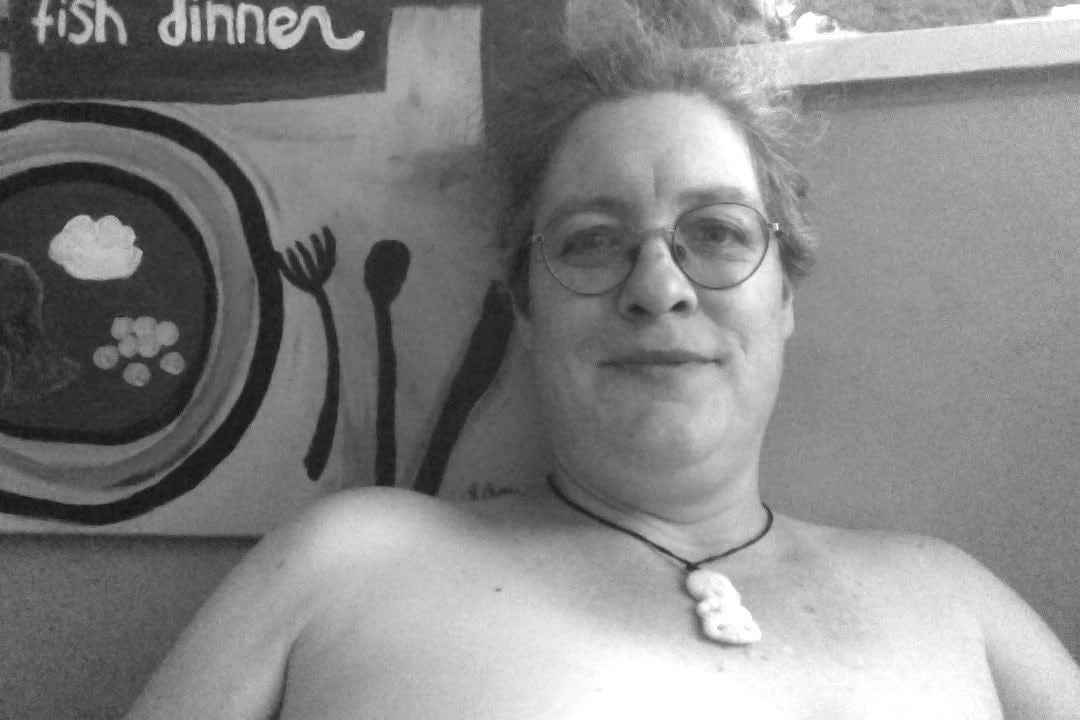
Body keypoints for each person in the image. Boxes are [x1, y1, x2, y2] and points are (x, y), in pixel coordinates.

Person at [122, 2, 1080, 718]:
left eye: (716, 231)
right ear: (526, 311)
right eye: (590, 241)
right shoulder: (346, 562)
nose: (657, 287)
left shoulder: (952, 599)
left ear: (785, 294)